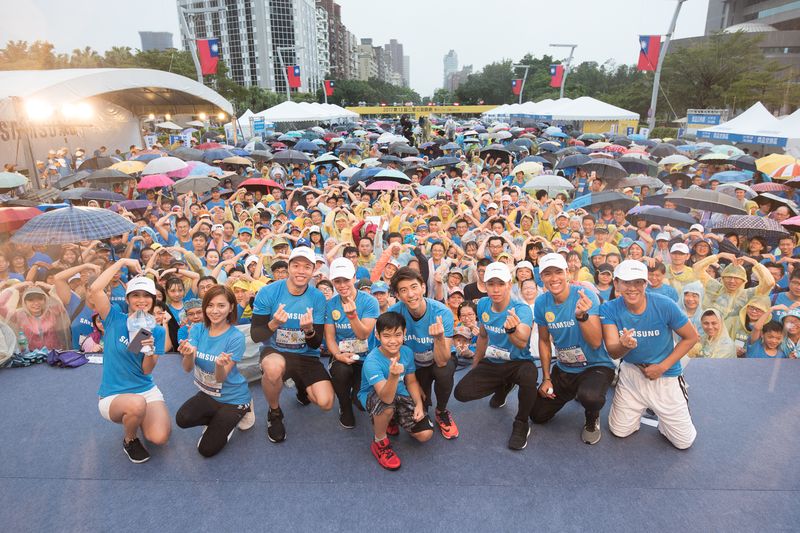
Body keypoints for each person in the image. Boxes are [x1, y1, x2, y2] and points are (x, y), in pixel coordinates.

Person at [600, 260, 699, 450]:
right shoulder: (609, 308)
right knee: (619, 430)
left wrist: (662, 367)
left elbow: (691, 337)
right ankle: (640, 408)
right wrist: (625, 346)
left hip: (665, 375)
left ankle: (666, 420)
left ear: (646, 283)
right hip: (631, 373)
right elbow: (613, 350)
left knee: (684, 442)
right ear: (616, 284)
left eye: (638, 282)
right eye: (626, 282)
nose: (632, 288)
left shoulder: (665, 305)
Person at [88, 263, 171, 463]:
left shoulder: (156, 330)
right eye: (136, 295)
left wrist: (150, 351)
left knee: (159, 437)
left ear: (153, 300)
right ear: (128, 299)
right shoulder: (114, 317)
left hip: (145, 389)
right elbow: (95, 289)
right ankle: (130, 438)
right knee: (136, 404)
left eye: (146, 296)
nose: (141, 300)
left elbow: (145, 370)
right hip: (113, 394)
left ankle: (141, 417)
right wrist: (122, 262)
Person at [530, 253, 615, 445]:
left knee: (590, 397)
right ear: (541, 278)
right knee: (537, 415)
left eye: (558, 272)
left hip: (595, 365)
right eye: (547, 274)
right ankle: (573, 390)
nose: (554, 278)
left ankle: (592, 417)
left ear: (567, 272)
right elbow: (543, 341)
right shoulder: (542, 302)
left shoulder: (585, 295)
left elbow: (595, 342)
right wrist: (546, 378)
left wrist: (582, 316)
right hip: (565, 368)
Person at [250, 246, 332, 443]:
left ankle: (301, 385)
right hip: (276, 351)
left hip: (305, 355)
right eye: (296, 266)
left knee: (326, 402)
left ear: (313, 271)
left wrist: (309, 330)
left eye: (306, 267)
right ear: (288, 267)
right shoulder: (268, 292)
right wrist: (274, 323)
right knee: (272, 368)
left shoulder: (317, 297)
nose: (301, 271)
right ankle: (275, 412)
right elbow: (255, 335)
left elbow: (316, 343)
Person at [453, 262, 537, 450]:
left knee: (530, 375)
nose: (496, 289)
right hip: (493, 361)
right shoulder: (483, 304)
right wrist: (476, 367)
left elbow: (522, 341)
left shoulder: (520, 309)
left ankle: (522, 423)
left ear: (509, 284)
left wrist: (512, 329)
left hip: (518, 361)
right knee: (461, 393)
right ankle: (504, 385)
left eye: (500, 284)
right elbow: (483, 336)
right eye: (491, 284)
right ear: (485, 284)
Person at [175, 286, 252, 456]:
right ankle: (218, 421)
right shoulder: (197, 329)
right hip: (209, 393)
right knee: (182, 419)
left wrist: (219, 365)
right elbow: (187, 368)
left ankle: (244, 409)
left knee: (206, 450)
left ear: (231, 307)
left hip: (233, 397)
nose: (214, 311)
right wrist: (187, 355)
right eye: (210, 305)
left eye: (221, 306)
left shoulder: (235, 337)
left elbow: (221, 377)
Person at [358, 311, 434, 470]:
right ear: (377, 336)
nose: (393, 341)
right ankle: (379, 441)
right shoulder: (372, 361)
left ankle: (393, 420)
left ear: (404, 333)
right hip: (376, 396)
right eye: (387, 336)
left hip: (400, 394)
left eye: (398, 335)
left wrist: (419, 405)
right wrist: (393, 375)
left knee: (425, 434)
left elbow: (411, 381)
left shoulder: (406, 352)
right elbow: (385, 397)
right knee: (387, 407)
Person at [389, 267, 458, 439]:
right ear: (397, 295)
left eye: (414, 287)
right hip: (414, 364)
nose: (410, 294)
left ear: (423, 287)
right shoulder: (395, 314)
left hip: (437, 359)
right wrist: (411, 381)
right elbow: (393, 353)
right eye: (403, 290)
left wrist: (439, 338)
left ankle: (441, 411)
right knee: (420, 408)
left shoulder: (442, 313)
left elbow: (442, 361)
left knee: (445, 370)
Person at [325, 257, 380, 428]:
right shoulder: (331, 304)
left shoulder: (370, 301)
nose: (342, 285)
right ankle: (344, 406)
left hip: (366, 357)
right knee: (340, 372)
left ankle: (355, 395)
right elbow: (330, 338)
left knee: (362, 402)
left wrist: (352, 316)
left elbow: (363, 334)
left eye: (346, 280)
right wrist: (338, 355)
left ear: (354, 277)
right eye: (337, 281)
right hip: (342, 355)